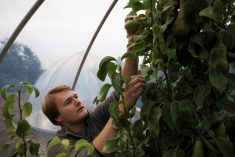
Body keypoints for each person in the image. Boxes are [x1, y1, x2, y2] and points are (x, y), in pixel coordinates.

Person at [42, 16, 146, 157]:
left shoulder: (93, 119)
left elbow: (123, 89)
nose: (77, 101)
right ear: (58, 118)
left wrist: (132, 40)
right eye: (68, 102)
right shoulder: (56, 146)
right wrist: (120, 110)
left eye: (75, 97)